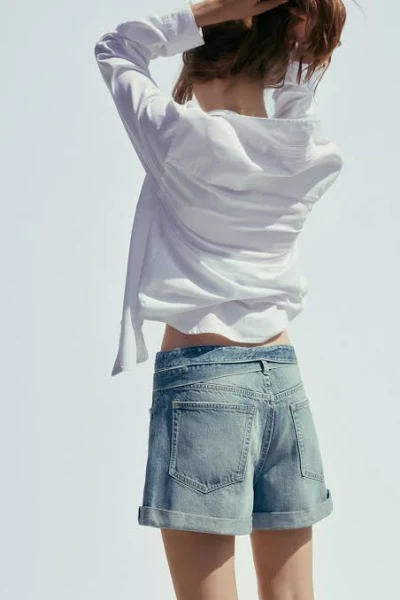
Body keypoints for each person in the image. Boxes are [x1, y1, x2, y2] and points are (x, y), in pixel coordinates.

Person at [94, 0, 346, 598]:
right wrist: (289, 28)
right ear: (280, 59)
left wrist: (209, 12)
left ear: (200, 63)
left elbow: (116, 47)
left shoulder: (178, 137)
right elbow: (296, 87)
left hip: (202, 384)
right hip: (282, 381)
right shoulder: (304, 148)